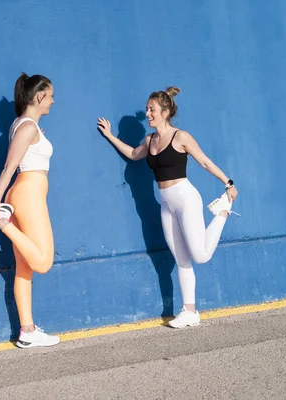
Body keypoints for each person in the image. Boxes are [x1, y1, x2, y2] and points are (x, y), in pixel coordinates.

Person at [97, 86, 239, 328]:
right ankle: (189, 312)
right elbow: (132, 154)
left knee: (201, 256)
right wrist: (110, 135)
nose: (148, 113)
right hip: (166, 203)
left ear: (164, 111)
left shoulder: (180, 136)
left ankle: (223, 211)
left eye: (151, 109)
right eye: (147, 110)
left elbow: (204, 161)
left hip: (185, 198)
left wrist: (228, 183)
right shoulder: (149, 140)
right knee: (181, 259)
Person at [0, 73, 59, 347]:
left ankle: (27, 331)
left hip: (26, 191)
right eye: (51, 95)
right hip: (28, 193)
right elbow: (9, 167)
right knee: (42, 263)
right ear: (39, 96)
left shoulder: (25, 126)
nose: (54, 101)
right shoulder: (27, 127)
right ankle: (3, 221)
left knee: (24, 268)